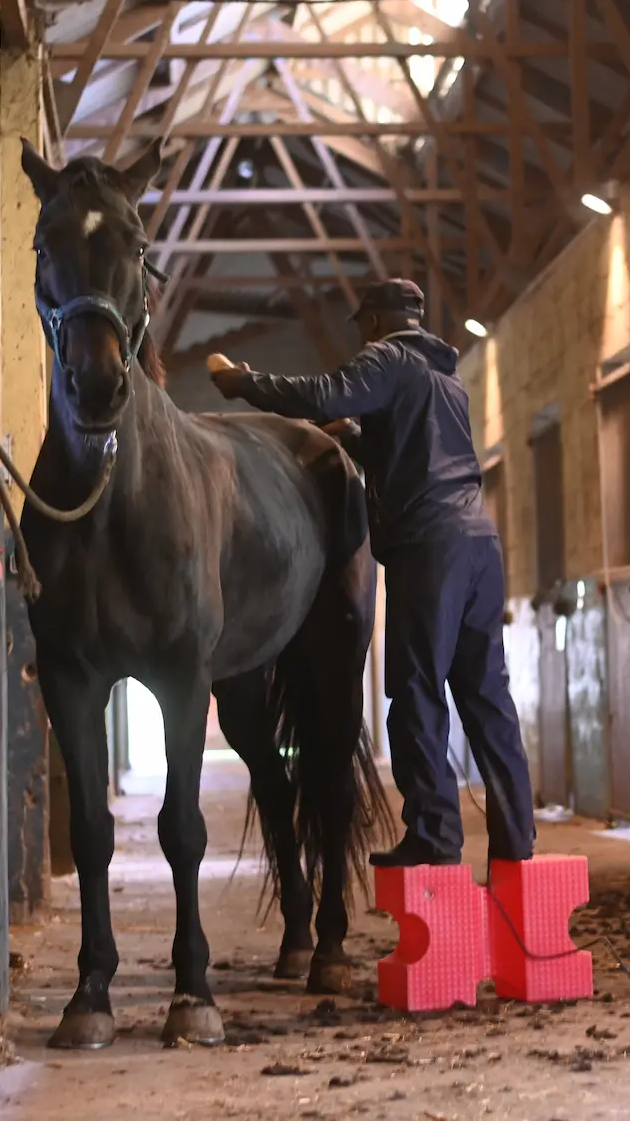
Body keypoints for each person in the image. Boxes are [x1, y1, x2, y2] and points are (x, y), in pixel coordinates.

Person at [210, 279, 536, 868]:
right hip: (480, 545)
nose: (360, 336)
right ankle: (517, 839)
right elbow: (413, 453)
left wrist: (245, 384)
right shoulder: (446, 378)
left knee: (414, 692)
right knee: (487, 696)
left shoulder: (388, 356)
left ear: (379, 322)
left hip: (429, 547)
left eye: (363, 326)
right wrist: (357, 440)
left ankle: (435, 837)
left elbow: (326, 393)